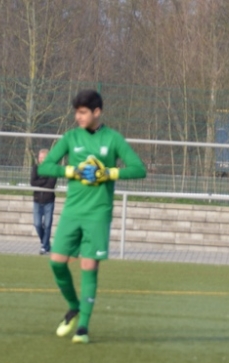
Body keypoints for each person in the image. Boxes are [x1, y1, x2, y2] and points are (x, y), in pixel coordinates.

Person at [36, 89, 147, 344]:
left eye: (83, 112)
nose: (78, 117)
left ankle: (83, 328)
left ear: (97, 112)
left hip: (98, 213)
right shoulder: (70, 137)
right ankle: (74, 306)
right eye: (77, 112)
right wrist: (73, 171)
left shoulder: (113, 139)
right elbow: (46, 166)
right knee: (56, 262)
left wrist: (108, 173)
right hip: (72, 211)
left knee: (89, 266)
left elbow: (139, 169)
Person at [30, 148, 57, 255]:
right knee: (37, 224)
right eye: (40, 157)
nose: (41, 159)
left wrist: (40, 181)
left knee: (47, 225)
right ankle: (46, 244)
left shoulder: (53, 169)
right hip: (37, 201)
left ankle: (44, 247)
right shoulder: (35, 168)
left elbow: (51, 185)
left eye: (43, 157)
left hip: (49, 201)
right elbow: (33, 182)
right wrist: (44, 180)